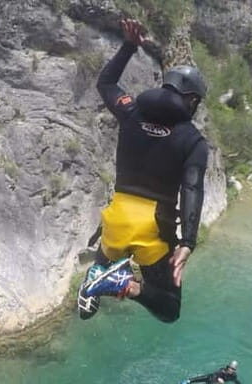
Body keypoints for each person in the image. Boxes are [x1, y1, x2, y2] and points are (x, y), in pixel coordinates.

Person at [77, 18, 209, 323]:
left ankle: (95, 283)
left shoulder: (131, 111)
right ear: (191, 100)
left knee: (102, 266)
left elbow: (106, 83)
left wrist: (129, 46)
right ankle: (126, 285)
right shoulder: (194, 141)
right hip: (152, 228)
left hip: (116, 218)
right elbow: (192, 190)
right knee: (169, 309)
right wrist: (188, 242)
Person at [179, 360, 252, 384]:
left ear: (235, 370)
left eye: (233, 369)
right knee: (198, 379)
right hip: (211, 378)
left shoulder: (233, 376)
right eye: (230, 368)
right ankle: (187, 381)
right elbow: (215, 375)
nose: (231, 370)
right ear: (228, 367)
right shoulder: (222, 371)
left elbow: (238, 383)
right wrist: (217, 381)